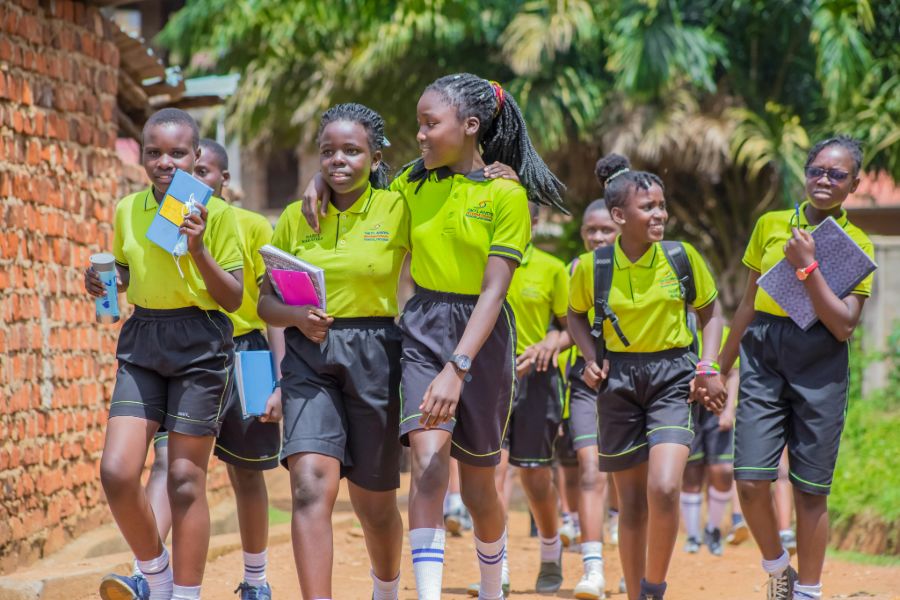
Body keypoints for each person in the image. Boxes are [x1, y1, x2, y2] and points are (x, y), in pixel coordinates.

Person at [86, 108, 244, 600]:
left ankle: (186, 593)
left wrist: (199, 250)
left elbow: (235, 298)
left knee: (182, 479)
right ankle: (154, 574)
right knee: (115, 471)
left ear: (197, 158)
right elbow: (130, 273)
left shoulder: (216, 214)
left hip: (201, 341)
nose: (165, 162)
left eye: (177, 153)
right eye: (154, 152)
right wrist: (104, 280)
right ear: (142, 157)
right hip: (144, 339)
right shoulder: (128, 208)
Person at [257, 103, 407, 600]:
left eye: (351, 150)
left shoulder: (397, 207)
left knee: (376, 502)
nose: (337, 160)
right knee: (308, 485)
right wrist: (298, 317)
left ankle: (384, 590)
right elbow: (265, 302)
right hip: (308, 355)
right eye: (327, 152)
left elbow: (443, 172)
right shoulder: (295, 220)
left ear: (376, 156)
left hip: (375, 354)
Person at [719, 136, 874, 600]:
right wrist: (717, 368)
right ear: (804, 173)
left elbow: (844, 324)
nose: (824, 180)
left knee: (810, 490)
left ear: (855, 185)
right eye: (817, 170)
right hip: (765, 351)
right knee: (749, 480)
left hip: (821, 358)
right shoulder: (770, 224)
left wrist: (807, 268)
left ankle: (807, 592)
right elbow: (748, 302)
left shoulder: (857, 243)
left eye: (837, 175)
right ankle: (778, 569)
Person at [567, 154, 725, 600]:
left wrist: (708, 366)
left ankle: (653, 587)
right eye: (648, 207)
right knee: (631, 502)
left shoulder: (682, 257)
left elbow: (710, 313)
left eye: (661, 205)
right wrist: (587, 355)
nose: (659, 214)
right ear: (619, 217)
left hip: (672, 376)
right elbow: (574, 316)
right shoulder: (594, 267)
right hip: (618, 382)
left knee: (665, 485)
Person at [468, 201, 570, 595]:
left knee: (535, 476)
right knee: (494, 470)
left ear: (535, 219)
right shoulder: (477, 263)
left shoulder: (551, 268)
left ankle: (550, 550)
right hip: (488, 379)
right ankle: (499, 565)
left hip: (537, 382)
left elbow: (570, 328)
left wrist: (551, 341)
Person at [555, 198, 620, 599]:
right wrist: (586, 357)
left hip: (633, 381)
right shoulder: (574, 269)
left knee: (633, 477)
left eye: (605, 231)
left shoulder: (640, 268)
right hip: (586, 379)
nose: (597, 238)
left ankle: (637, 562)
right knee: (590, 469)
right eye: (590, 231)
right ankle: (592, 568)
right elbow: (565, 323)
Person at [681, 325, 739, 557]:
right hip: (690, 408)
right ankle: (693, 535)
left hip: (718, 407)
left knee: (723, 471)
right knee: (692, 473)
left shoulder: (723, 331)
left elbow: (733, 372)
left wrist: (729, 411)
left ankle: (713, 530)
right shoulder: (681, 328)